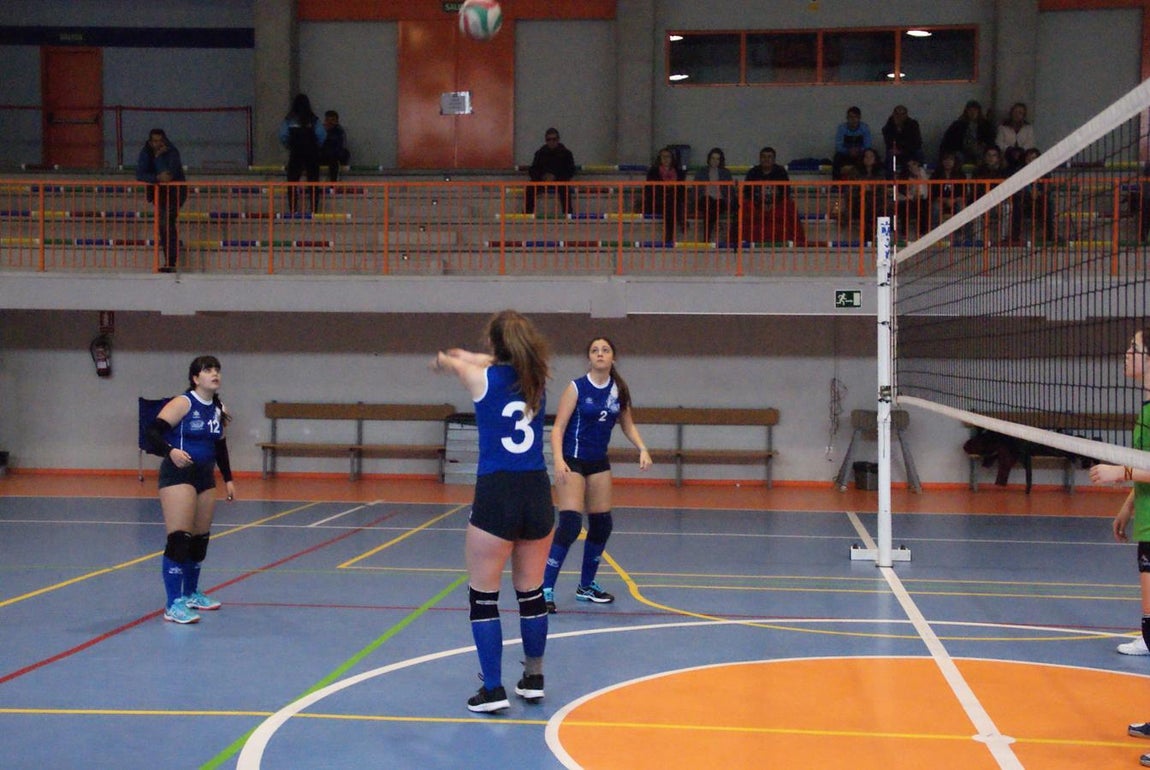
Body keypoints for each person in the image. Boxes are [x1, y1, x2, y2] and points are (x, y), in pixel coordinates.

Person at [430, 310, 555, 713]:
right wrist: (469, 355)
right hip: (536, 491)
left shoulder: (481, 378)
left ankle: (493, 689)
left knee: (483, 597)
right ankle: (534, 676)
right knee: (531, 593)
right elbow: (493, 362)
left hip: (497, 492)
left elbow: (464, 365)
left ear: (493, 346)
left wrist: (448, 358)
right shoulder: (538, 380)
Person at [543, 337, 652, 613]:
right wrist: (557, 460)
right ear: (589, 358)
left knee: (602, 525)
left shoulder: (618, 390)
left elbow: (627, 424)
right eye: (595, 350)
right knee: (569, 525)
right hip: (573, 460)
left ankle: (586, 586)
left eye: (605, 350)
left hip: (597, 462)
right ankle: (544, 589)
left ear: (613, 358)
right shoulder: (576, 387)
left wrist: (642, 448)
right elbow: (558, 428)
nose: (600, 354)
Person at [143, 356, 235, 624]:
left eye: (217, 369)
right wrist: (170, 451)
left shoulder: (218, 409)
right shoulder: (183, 403)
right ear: (196, 378)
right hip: (179, 475)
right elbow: (152, 433)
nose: (214, 373)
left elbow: (220, 446)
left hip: (205, 477)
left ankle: (192, 593)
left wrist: (228, 478)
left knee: (199, 540)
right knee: (179, 539)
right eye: (208, 370)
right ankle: (173, 604)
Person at [135, 128, 187, 273]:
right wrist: (156, 178)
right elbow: (140, 174)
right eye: (154, 141)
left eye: (159, 141)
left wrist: (158, 158)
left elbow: (168, 177)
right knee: (164, 224)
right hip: (160, 193)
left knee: (166, 223)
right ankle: (170, 261)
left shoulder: (172, 152)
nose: (157, 144)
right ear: (150, 142)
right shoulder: (145, 152)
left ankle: (171, 261)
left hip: (175, 193)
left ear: (164, 141)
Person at [743, 147, 806, 245]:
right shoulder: (753, 172)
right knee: (744, 206)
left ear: (774, 159)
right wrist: (759, 203)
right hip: (756, 206)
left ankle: (795, 240)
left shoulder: (780, 172)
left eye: (769, 157)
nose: (766, 159)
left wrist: (773, 204)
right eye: (763, 157)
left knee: (789, 205)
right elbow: (747, 192)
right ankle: (742, 240)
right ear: (760, 159)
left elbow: (785, 191)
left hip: (777, 205)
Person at [279, 93, 326, 215]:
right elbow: (322, 135)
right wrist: (316, 147)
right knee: (313, 181)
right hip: (312, 153)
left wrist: (290, 146)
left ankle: (293, 209)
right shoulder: (314, 120)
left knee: (292, 181)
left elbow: (283, 135)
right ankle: (314, 210)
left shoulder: (289, 120)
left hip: (296, 153)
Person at [693, 147, 738, 245]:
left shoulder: (726, 173)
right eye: (713, 158)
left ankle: (706, 237)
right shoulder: (701, 172)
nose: (715, 161)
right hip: (704, 199)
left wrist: (730, 201)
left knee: (713, 206)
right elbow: (696, 189)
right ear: (709, 159)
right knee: (708, 202)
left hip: (720, 200)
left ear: (720, 160)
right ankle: (709, 233)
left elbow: (730, 191)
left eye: (717, 159)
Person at [526, 128, 576, 215]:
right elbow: (533, 169)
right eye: (549, 139)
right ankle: (528, 214)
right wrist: (543, 177)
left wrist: (555, 176)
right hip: (542, 181)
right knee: (530, 188)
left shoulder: (566, 153)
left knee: (565, 188)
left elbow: (570, 170)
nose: (551, 142)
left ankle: (568, 214)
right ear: (546, 141)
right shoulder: (540, 153)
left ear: (558, 140)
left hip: (560, 181)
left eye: (554, 139)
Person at [644, 146, 686, 245]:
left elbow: (681, 189)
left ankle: (669, 234)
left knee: (671, 204)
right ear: (660, 158)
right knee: (670, 204)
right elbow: (650, 190)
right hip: (658, 201)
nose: (666, 159)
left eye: (668, 157)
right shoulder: (653, 172)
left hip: (673, 201)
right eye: (663, 157)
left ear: (672, 159)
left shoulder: (679, 173)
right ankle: (679, 221)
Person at [939, 99, 996, 166]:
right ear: (966, 112)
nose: (973, 113)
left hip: (980, 150)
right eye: (970, 110)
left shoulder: (986, 125)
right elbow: (948, 140)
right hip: (961, 151)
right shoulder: (957, 125)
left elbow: (991, 140)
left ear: (979, 112)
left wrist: (983, 146)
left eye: (975, 110)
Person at [880, 104, 924, 178]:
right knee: (890, 155)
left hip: (910, 150)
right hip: (895, 151)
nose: (899, 116)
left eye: (902, 114)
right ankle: (890, 180)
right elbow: (889, 142)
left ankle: (920, 175)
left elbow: (917, 142)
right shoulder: (888, 126)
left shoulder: (913, 125)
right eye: (897, 114)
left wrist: (902, 150)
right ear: (893, 114)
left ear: (906, 115)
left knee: (919, 153)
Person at [832, 106, 872, 180]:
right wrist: (848, 151)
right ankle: (836, 184)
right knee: (837, 157)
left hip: (860, 154)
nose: (853, 120)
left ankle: (864, 181)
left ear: (859, 118)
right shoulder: (841, 128)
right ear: (847, 118)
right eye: (850, 117)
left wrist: (859, 150)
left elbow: (868, 145)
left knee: (869, 157)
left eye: (855, 117)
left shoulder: (865, 128)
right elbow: (838, 146)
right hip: (845, 154)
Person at [319, 110, 349, 183]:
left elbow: (340, 146)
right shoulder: (320, 130)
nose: (330, 123)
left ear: (337, 121)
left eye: (332, 120)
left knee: (338, 157)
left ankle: (333, 184)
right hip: (323, 155)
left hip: (334, 156)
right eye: (327, 120)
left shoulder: (339, 131)